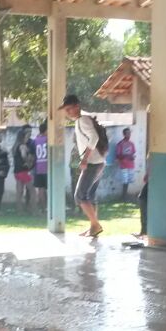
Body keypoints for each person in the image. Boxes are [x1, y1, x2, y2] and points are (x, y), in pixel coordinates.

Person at [60, 94, 108, 238]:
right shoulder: (82, 120)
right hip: (99, 162)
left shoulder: (83, 120)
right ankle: (93, 227)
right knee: (90, 196)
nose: (67, 112)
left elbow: (94, 138)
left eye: (69, 108)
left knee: (79, 196)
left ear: (77, 106)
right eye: (66, 110)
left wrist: (85, 159)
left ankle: (95, 225)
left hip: (93, 163)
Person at [13, 126, 35, 211]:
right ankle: (35, 210)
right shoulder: (22, 146)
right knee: (32, 191)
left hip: (17, 171)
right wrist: (28, 162)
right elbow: (23, 156)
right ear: (23, 137)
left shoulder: (15, 146)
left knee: (19, 191)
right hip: (23, 171)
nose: (28, 137)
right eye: (26, 136)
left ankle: (19, 210)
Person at [115, 127, 136, 202]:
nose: (129, 135)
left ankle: (125, 196)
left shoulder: (131, 144)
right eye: (127, 133)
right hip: (123, 165)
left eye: (130, 133)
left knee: (129, 181)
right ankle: (124, 197)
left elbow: (133, 153)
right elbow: (118, 156)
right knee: (125, 181)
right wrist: (126, 157)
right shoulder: (120, 144)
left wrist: (132, 157)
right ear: (124, 134)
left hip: (130, 165)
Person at [33, 119, 48, 211]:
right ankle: (49, 207)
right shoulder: (47, 139)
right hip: (47, 166)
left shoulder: (36, 139)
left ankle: (43, 207)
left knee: (40, 189)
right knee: (49, 188)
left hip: (38, 167)